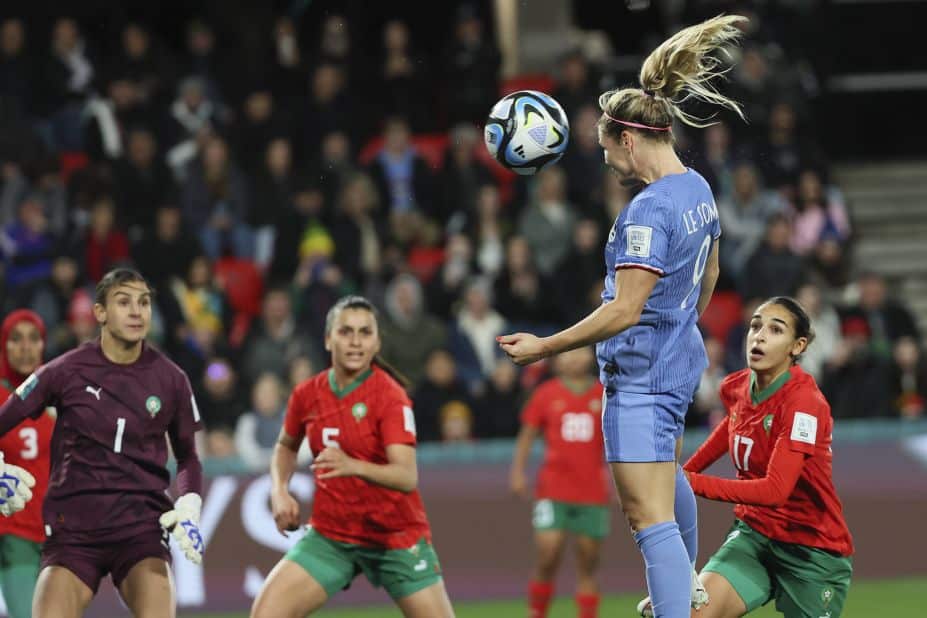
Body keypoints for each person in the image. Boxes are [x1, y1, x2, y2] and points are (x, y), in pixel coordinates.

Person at [498, 15, 749, 618]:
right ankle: (684, 585)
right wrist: (680, 328)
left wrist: (545, 347)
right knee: (666, 477)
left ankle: (675, 603)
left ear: (629, 140)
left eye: (607, 147)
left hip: (640, 381)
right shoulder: (698, 189)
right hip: (678, 364)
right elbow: (709, 276)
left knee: (645, 513)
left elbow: (626, 309)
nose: (606, 160)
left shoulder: (647, 211)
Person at [0, 268, 204, 618]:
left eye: (144, 302)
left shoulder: (173, 380)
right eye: (124, 302)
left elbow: (188, 457)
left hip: (141, 531)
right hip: (73, 532)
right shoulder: (63, 371)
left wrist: (189, 500)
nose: (137, 311)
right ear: (100, 313)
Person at [251, 295, 454, 618]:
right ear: (328, 338)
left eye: (365, 332)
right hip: (333, 537)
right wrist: (279, 490)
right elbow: (286, 446)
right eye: (346, 332)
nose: (356, 342)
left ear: (377, 343)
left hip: (395, 538)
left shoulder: (390, 397)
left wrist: (352, 465)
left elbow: (406, 476)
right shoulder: (307, 394)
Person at [677, 297, 853, 617]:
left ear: (797, 346)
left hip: (811, 551)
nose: (759, 336)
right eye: (756, 326)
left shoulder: (804, 403)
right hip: (753, 537)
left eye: (775, 330)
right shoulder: (738, 386)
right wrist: (682, 473)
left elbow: (775, 490)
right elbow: (731, 428)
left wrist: (688, 481)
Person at [509, 347, 611, 618]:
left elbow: (619, 440)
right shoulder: (546, 394)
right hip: (552, 489)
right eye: (568, 353)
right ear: (557, 359)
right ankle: (537, 612)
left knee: (588, 563)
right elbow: (527, 435)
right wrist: (518, 472)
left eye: (579, 352)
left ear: (591, 356)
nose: (574, 358)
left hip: (592, 490)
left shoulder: (604, 394)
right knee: (547, 554)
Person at [0, 310, 55, 618]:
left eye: (33, 339)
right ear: (3, 346)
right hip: (13, 535)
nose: (25, 347)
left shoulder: (57, 397)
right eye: (16, 339)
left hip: (57, 537)